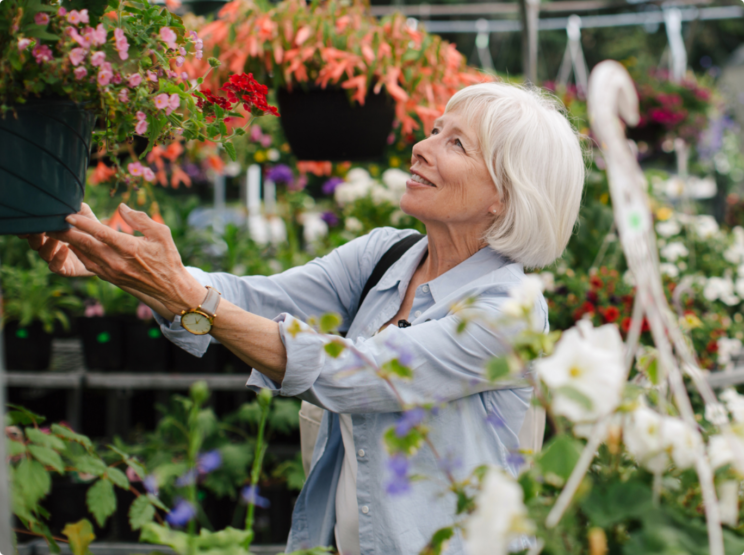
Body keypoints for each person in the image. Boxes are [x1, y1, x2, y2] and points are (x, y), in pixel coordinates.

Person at [25, 82, 584, 554]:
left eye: (455, 143)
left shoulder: (507, 311)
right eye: (435, 129)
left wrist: (185, 296)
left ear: (506, 197)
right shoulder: (387, 255)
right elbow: (254, 298)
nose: (422, 146)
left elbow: (357, 374)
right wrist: (112, 256)